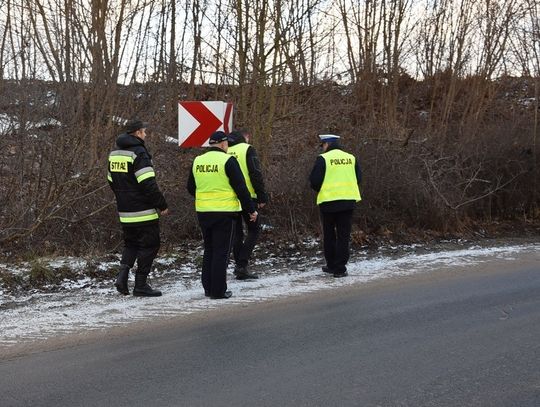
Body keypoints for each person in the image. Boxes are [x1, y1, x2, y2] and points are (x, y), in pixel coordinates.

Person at [187, 131, 258, 299]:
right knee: (221, 252)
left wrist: (205, 196)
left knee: (209, 249)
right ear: (223, 143)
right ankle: (218, 291)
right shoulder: (228, 160)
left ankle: (208, 288)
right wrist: (251, 210)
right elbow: (241, 188)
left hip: (203, 212)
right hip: (225, 213)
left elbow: (191, 187)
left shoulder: (198, 160)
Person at [107, 119, 169, 296]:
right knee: (150, 245)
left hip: (125, 211)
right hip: (143, 211)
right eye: (144, 131)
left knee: (131, 244)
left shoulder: (115, 153)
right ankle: (141, 285)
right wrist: (161, 204)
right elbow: (148, 183)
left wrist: (124, 197)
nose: (146, 134)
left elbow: (111, 181)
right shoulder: (139, 153)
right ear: (137, 133)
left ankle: (122, 277)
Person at [309, 134, 362, 278]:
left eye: (323, 145)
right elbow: (358, 178)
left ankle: (332, 265)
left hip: (328, 202)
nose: (322, 148)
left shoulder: (323, 159)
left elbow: (314, 181)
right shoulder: (351, 158)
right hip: (348, 202)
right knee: (343, 236)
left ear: (327, 144)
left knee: (330, 235)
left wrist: (323, 189)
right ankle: (340, 268)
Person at [226, 129, 268, 280]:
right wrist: (262, 195)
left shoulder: (224, 150)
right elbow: (255, 173)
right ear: (246, 137)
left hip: (229, 198)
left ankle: (240, 266)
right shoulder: (247, 149)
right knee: (254, 229)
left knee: (237, 233)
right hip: (248, 197)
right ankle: (242, 265)